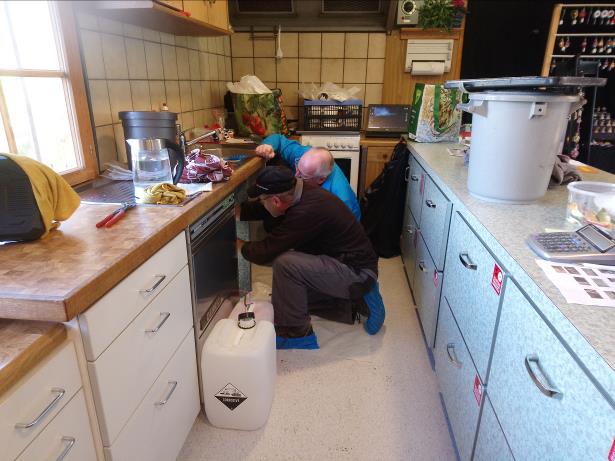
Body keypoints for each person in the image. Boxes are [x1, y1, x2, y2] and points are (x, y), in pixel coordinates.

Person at [238, 166, 384, 349]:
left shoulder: (306, 211)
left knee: (286, 264)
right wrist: (237, 211)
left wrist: (237, 244)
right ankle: (355, 304)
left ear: (275, 200)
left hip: (357, 273)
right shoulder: (298, 191)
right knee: (289, 296)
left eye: (261, 199)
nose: (261, 202)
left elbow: (264, 252)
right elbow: (266, 208)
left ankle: (296, 335)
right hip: (345, 260)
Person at [255, 134, 361, 220]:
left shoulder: (340, 200)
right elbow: (278, 139)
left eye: (303, 175)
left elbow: (344, 231)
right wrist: (267, 146)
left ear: (321, 179)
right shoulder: (304, 156)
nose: (296, 175)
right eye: (297, 167)